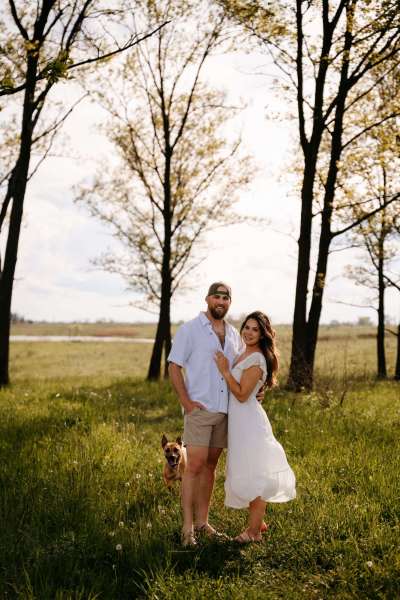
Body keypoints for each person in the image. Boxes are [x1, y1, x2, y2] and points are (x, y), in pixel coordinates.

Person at [168, 282, 244, 546]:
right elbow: (174, 367)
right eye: (216, 297)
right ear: (207, 299)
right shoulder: (190, 330)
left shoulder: (235, 335)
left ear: (229, 303)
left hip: (224, 411)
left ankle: (202, 523)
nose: (220, 301)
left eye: (226, 298)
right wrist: (187, 403)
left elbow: (240, 370)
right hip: (199, 410)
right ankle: (187, 529)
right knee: (194, 467)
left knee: (210, 468)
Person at [214, 311, 296, 543]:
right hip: (240, 422)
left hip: (249, 422)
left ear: (263, 334)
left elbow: (241, 394)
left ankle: (253, 533)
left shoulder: (258, 358)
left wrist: (225, 371)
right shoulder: (243, 352)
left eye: (255, 329)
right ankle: (258, 522)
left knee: (256, 473)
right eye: (246, 327)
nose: (249, 332)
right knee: (248, 470)